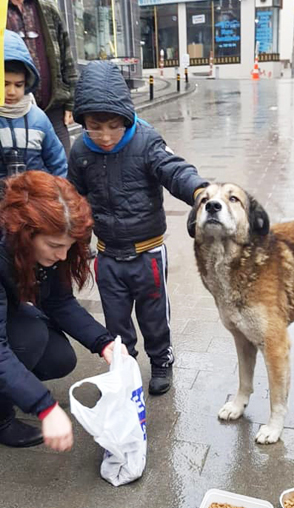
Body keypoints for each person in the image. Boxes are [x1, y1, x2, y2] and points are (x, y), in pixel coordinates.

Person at [68, 61, 208, 396]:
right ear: (83, 121)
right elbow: (73, 196)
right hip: (108, 256)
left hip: (148, 254)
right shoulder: (80, 150)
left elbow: (173, 170)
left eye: (113, 126)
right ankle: (125, 367)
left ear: (126, 118)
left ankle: (161, 360)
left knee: (154, 315)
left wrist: (199, 191)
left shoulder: (146, 141)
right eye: (94, 127)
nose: (104, 136)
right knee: (116, 321)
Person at [0, 170, 127, 452]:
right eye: (54, 246)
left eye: (68, 248)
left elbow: (59, 301)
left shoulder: (48, 250)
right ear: (24, 234)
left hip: (7, 309)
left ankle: (12, 388)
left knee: (59, 358)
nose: (61, 256)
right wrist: (44, 406)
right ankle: (2, 418)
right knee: (28, 337)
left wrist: (103, 342)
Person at [7, 0, 77, 155]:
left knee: (62, 168)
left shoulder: (47, 7)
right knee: (19, 173)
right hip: (10, 112)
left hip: (53, 109)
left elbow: (66, 56)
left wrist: (71, 102)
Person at [0, 30, 67, 181]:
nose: (11, 91)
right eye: (5, 84)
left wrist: (58, 194)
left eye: (18, 85)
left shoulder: (38, 118)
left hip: (37, 199)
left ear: (27, 83)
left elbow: (57, 161)